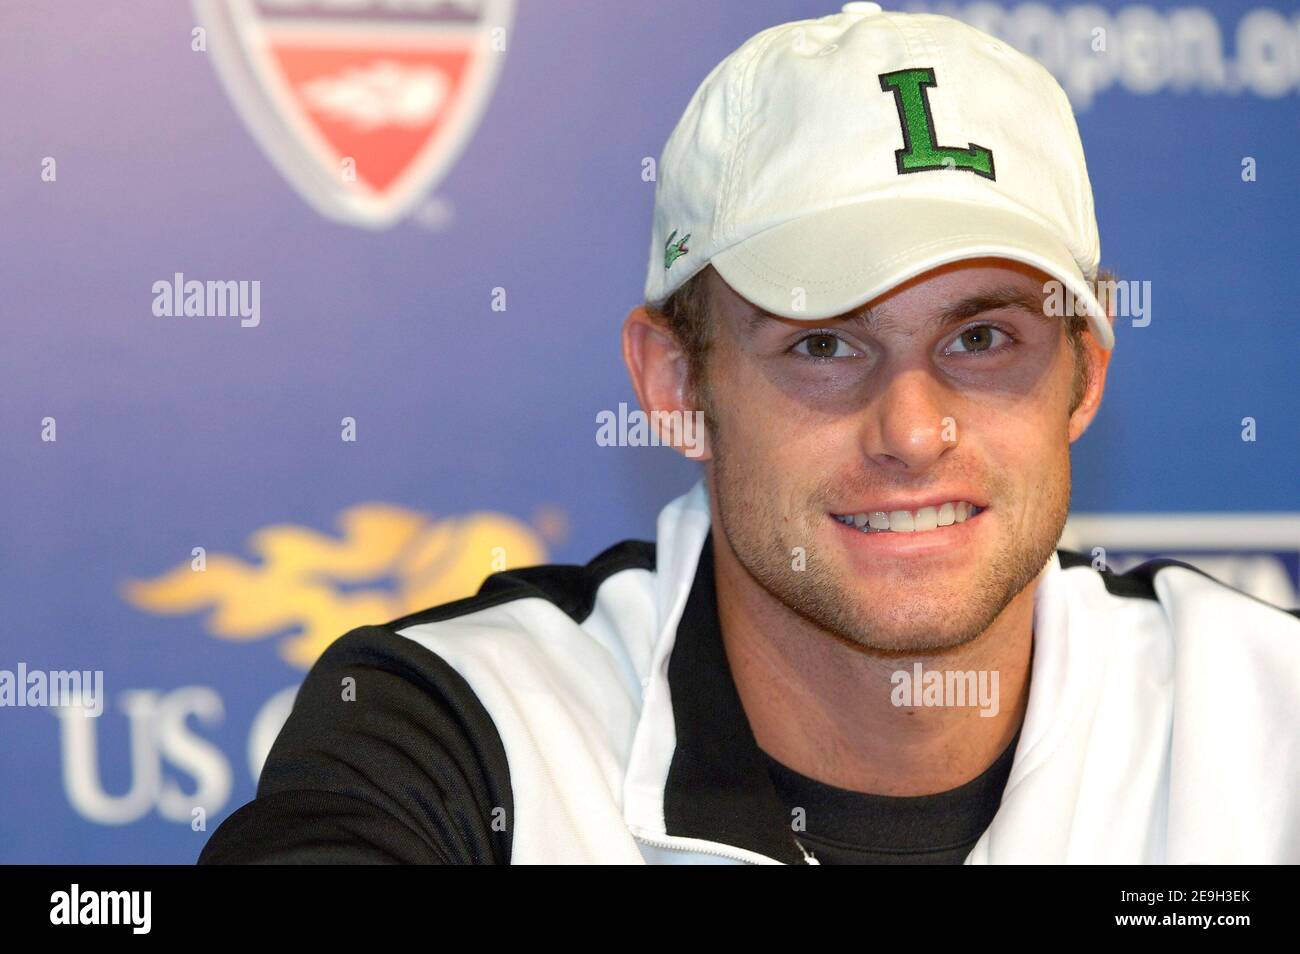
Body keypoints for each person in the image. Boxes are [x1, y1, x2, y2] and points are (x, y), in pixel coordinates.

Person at [198, 3, 1300, 865]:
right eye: (822, 344)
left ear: (1084, 371)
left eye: (982, 339)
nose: (914, 432)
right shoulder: (466, 731)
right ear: (677, 382)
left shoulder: (1267, 724)